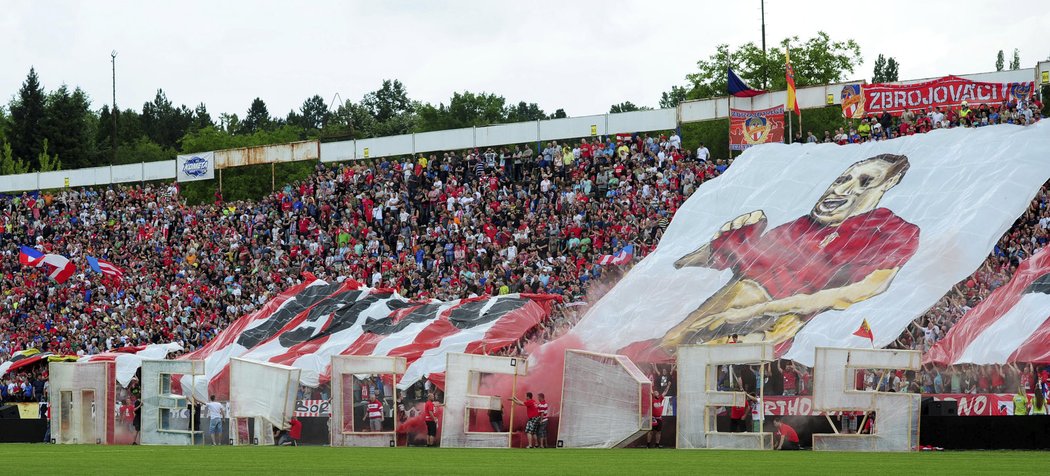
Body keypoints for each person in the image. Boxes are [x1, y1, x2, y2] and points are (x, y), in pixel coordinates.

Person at [663, 154, 920, 348]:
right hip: (726, 309)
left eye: (864, 182)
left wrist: (759, 310)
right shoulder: (800, 226)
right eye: (841, 179)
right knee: (669, 345)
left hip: (770, 324)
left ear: (889, 182)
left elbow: (853, 293)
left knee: (704, 349)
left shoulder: (892, 230)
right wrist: (723, 245)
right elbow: (716, 264)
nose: (840, 189)